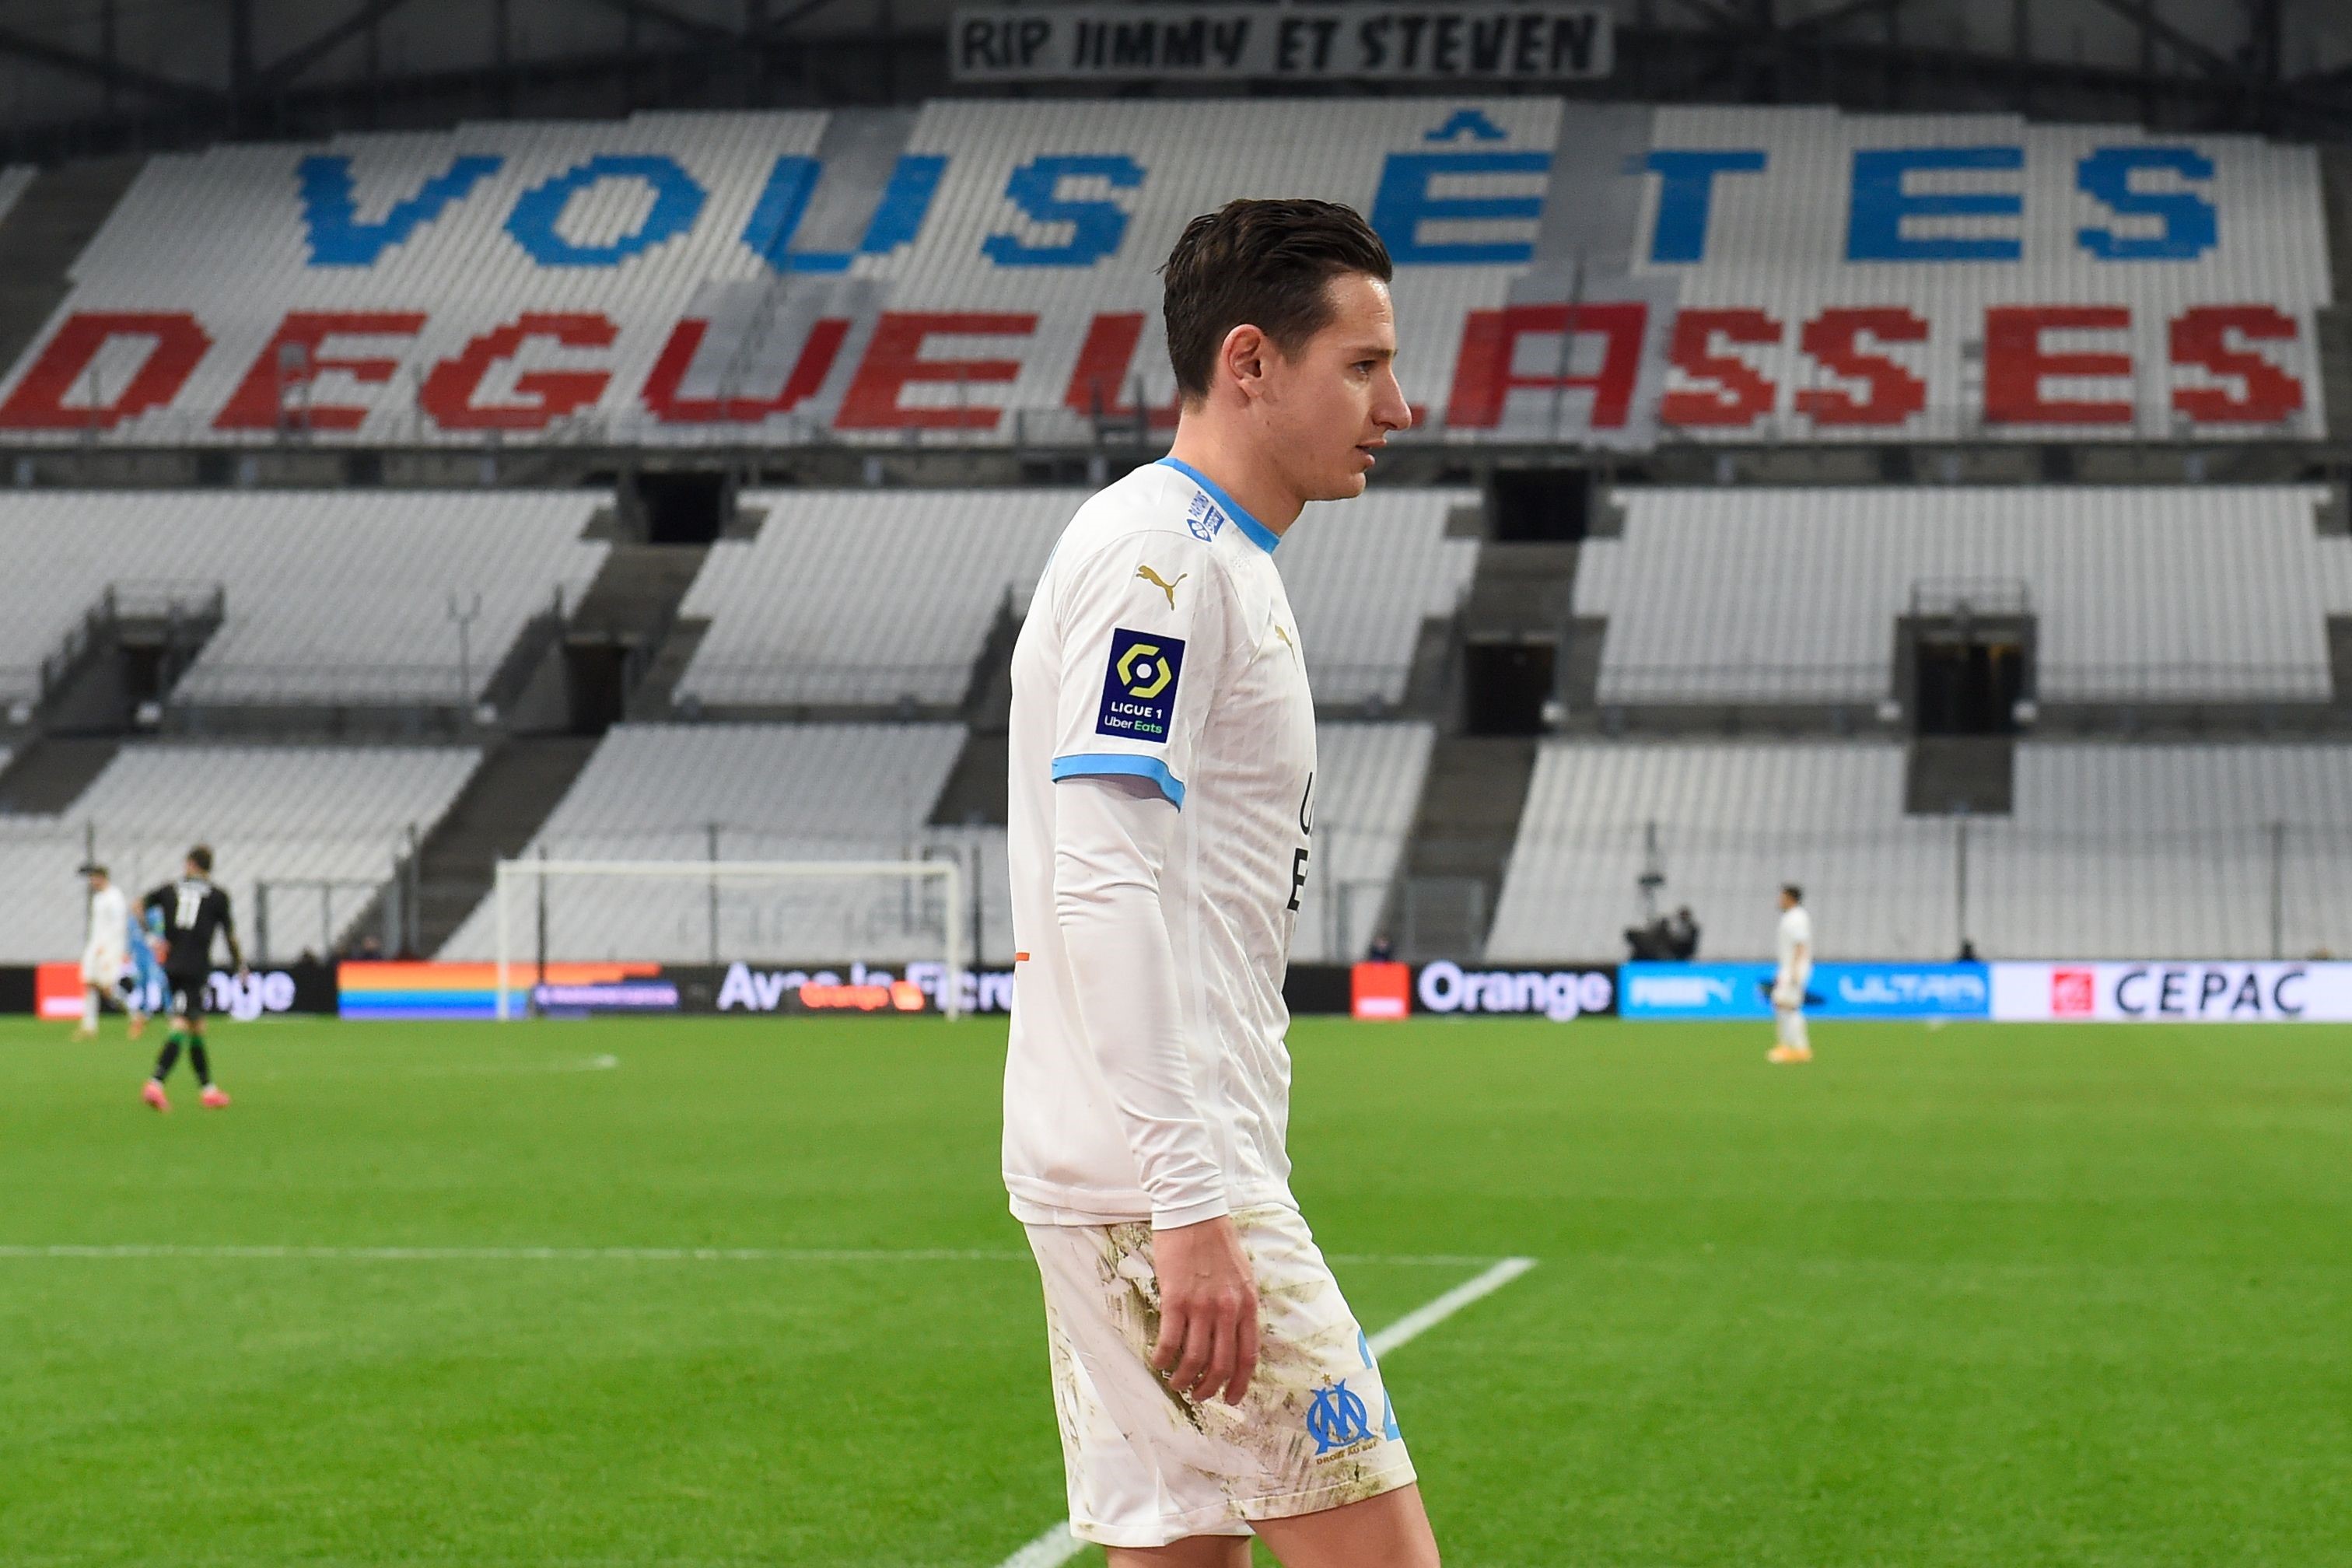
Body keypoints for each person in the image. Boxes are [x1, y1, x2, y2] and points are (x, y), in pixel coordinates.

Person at [1002, 198, 1429, 1566]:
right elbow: (1104, 873)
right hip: (1166, 1180)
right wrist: (1192, 1200)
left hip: (1126, 1167)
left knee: (1175, 1549)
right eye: (1361, 365)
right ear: (1247, 362)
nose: (1396, 404)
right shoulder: (1162, 562)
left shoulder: (1206, 553)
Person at [139, 845, 246, 1111]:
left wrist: (153, 938)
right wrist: (239, 965)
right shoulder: (218, 896)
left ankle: (208, 1090)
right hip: (196, 968)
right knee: (181, 1025)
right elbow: (230, 936)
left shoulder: (169, 888)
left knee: (197, 1026)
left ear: (190, 864)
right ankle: (155, 1083)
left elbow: (138, 906)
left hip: (173, 965)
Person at [74, 863, 128, 1040]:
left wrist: (110, 947)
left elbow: (119, 926)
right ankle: (89, 1026)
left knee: (107, 988)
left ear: (101, 877)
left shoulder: (115, 897)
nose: (91, 881)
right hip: (95, 947)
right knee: (89, 982)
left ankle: (136, 1013)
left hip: (109, 948)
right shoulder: (99, 898)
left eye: (93, 877)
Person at [1769, 883, 1813, 1065]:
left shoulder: (1798, 917)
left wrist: (1794, 971)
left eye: (1783, 896)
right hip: (1788, 967)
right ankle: (1787, 1046)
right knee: (1781, 1003)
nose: (1780, 900)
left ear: (1790, 898)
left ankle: (1800, 1048)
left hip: (1795, 968)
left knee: (1789, 1006)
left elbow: (1800, 944)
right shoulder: (1790, 917)